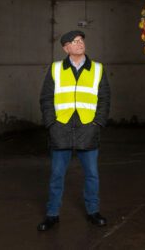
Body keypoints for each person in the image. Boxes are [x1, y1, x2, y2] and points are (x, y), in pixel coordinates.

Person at [37, 30, 111, 231]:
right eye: (74, 42)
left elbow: (104, 99)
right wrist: (51, 124)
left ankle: (93, 212)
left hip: (88, 128)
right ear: (66, 48)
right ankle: (52, 214)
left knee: (92, 175)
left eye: (81, 41)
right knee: (57, 175)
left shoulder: (97, 69)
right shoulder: (55, 69)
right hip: (60, 129)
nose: (80, 44)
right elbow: (46, 99)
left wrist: (98, 124)